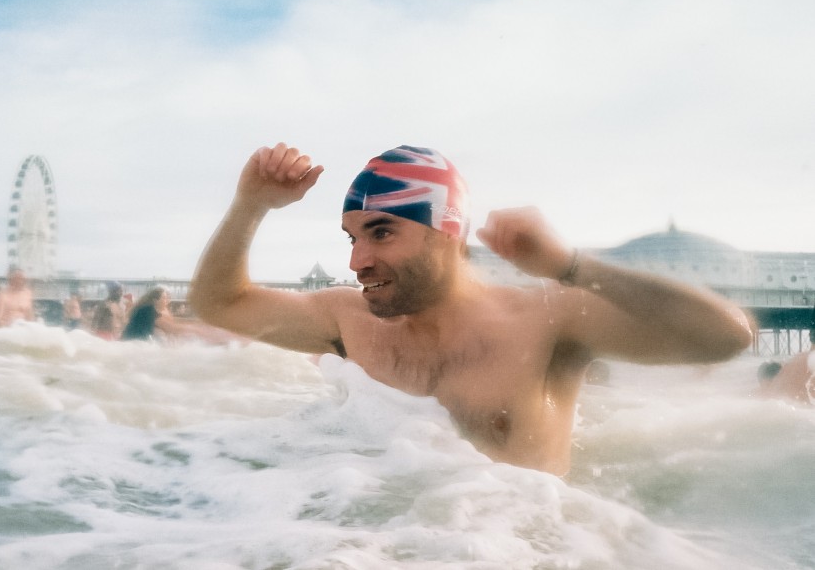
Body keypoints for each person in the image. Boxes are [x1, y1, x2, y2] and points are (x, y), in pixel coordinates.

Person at [189, 143, 753, 476]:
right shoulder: (348, 319)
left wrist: (572, 266)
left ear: (447, 234)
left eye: (381, 233)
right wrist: (250, 205)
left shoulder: (545, 321)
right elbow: (219, 303)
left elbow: (725, 337)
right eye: (352, 238)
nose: (358, 260)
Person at [122, 287, 243, 343]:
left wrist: (202, 326)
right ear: (155, 300)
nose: (168, 300)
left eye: (168, 297)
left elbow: (172, 327)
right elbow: (174, 328)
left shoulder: (149, 309)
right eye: (165, 298)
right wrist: (203, 331)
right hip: (131, 345)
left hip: (133, 345)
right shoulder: (147, 311)